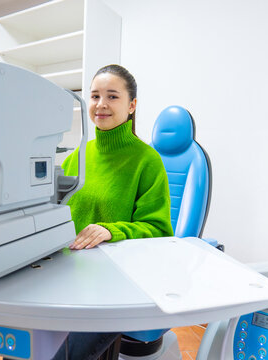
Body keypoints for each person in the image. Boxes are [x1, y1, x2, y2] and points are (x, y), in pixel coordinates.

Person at [52, 64, 174, 360]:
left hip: (115, 283)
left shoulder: (147, 160)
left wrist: (111, 230)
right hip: (68, 275)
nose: (101, 104)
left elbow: (159, 230)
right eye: (94, 96)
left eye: (112, 96)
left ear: (131, 106)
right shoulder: (76, 157)